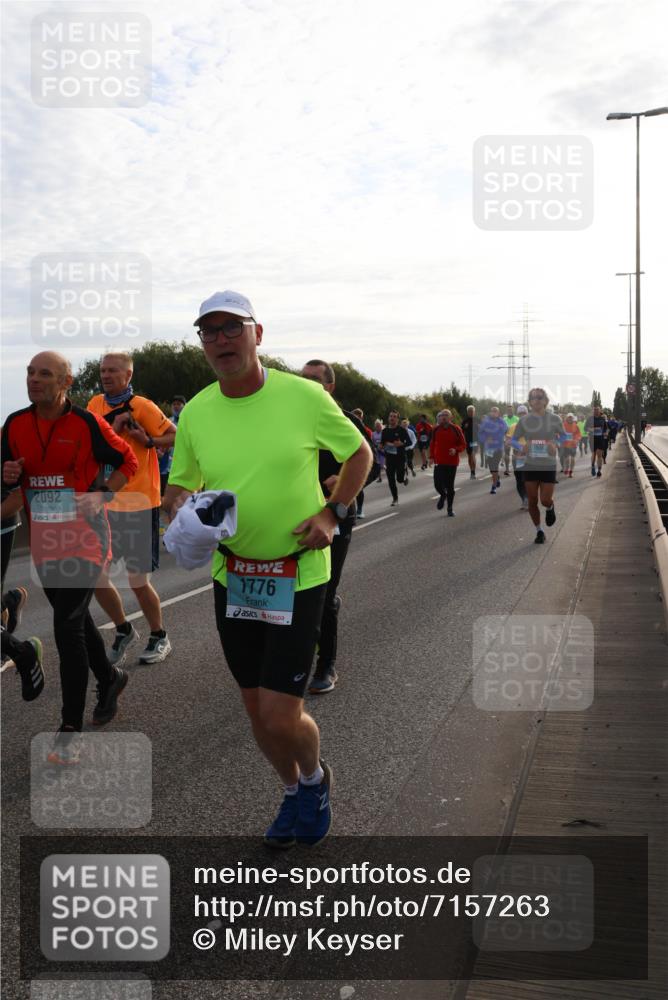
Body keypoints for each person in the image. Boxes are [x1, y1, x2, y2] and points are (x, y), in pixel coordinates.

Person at [163, 291, 371, 848]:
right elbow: (180, 483)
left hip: (298, 573)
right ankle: (292, 789)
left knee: (282, 715)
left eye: (233, 328)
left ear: (259, 333)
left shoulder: (303, 397)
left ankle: (316, 778)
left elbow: (360, 455)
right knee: (256, 710)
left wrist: (333, 511)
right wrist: (181, 511)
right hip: (233, 577)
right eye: (209, 332)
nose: (221, 341)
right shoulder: (198, 411)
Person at [1, 351, 138, 763]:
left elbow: (127, 461)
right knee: (75, 624)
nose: (34, 379)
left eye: (45, 374)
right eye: (30, 373)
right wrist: (8, 475)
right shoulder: (15, 425)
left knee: (65, 629)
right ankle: (111, 677)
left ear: (66, 381)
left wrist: (101, 495)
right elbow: (10, 483)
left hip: (85, 539)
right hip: (46, 542)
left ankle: (68, 729)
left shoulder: (85, 423)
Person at [87, 352, 177, 665]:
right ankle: (124, 630)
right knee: (95, 576)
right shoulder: (95, 404)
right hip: (105, 502)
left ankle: (159, 635)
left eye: (113, 370)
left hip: (139, 502)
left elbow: (174, 436)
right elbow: (90, 439)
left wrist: (148, 440)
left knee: (138, 580)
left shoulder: (144, 406)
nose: (106, 375)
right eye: (103, 370)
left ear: (128, 374)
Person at [301, 361, 367, 694]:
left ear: (330, 386)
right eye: (304, 379)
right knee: (293, 590)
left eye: (315, 379)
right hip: (296, 514)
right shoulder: (291, 417)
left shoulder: (347, 420)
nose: (308, 384)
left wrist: (342, 482)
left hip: (335, 513)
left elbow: (369, 463)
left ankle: (326, 665)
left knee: (324, 592)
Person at [512, 387, 563, 544]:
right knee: (532, 501)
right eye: (534, 398)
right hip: (531, 465)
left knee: (545, 500)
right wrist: (522, 447)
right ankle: (539, 531)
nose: (537, 400)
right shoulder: (524, 420)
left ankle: (550, 507)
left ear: (546, 401)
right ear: (529, 402)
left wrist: (556, 444)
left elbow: (564, 437)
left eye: (540, 397)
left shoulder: (554, 419)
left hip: (548, 464)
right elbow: (513, 440)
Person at [429, 410, 466, 516]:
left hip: (451, 462)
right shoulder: (435, 429)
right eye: (442, 415)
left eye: (446, 415)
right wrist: (431, 457)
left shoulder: (456, 429)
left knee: (450, 486)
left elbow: (463, 444)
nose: (443, 417)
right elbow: (432, 444)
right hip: (439, 462)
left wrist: (455, 449)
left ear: (451, 417)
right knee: (437, 484)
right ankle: (442, 495)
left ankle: (449, 508)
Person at [380, 412, 411, 506]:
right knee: (390, 479)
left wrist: (401, 444)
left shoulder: (402, 430)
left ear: (397, 419)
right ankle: (395, 498)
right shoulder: (385, 431)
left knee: (399, 479)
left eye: (394, 417)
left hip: (400, 458)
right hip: (389, 458)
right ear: (388, 418)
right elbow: (382, 442)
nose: (392, 418)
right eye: (390, 416)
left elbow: (409, 442)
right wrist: (381, 446)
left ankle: (404, 479)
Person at [159, 395, 186, 496]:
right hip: (166, 464)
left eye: (179, 404)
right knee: (164, 495)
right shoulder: (167, 422)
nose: (176, 406)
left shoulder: (187, 421)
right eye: (174, 404)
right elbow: (161, 439)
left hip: (182, 464)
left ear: (185, 406)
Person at [350, 408, 374, 519]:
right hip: (347, 460)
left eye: (357, 418)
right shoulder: (346, 428)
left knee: (358, 487)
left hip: (360, 461)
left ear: (361, 418)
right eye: (353, 417)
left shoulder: (367, 431)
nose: (354, 419)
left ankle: (359, 509)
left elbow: (370, 448)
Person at [478, 407, 507, 494]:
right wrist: (485, 439)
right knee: (491, 468)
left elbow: (504, 430)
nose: (493, 413)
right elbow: (480, 433)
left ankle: (493, 486)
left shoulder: (501, 422)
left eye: (495, 411)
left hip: (498, 448)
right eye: (492, 411)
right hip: (489, 449)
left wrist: (495, 436)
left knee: (495, 466)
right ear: (490, 413)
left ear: (498, 413)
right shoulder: (486, 422)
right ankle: (496, 477)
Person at [511, 404, 529, 508]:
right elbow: (509, 440)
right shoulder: (513, 426)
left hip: (530, 455)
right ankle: (524, 499)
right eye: (520, 414)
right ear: (518, 415)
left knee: (528, 479)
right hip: (517, 456)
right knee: (519, 480)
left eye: (524, 413)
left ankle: (529, 498)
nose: (522, 415)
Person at [585, 406, 608, 478]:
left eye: (597, 410)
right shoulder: (590, 419)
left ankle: (599, 470)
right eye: (595, 410)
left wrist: (605, 433)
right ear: (593, 411)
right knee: (594, 454)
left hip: (600, 439)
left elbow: (606, 429)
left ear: (600, 411)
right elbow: (585, 428)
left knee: (600, 455)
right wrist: (592, 429)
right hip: (592, 439)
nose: (596, 411)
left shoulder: (602, 419)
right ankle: (592, 466)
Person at [460, 405, 479, 479]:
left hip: (475, 440)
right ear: (467, 412)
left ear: (474, 412)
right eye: (469, 411)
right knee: (469, 456)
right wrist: (464, 427)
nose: (471, 413)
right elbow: (461, 431)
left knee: (473, 454)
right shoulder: (465, 421)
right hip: (467, 440)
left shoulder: (478, 420)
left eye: (472, 411)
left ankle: (473, 472)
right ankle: (471, 470)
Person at [561, 413, 582, 477]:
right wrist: (560, 440)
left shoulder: (575, 425)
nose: (570, 419)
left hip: (573, 445)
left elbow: (579, 434)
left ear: (573, 418)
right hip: (565, 445)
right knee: (567, 459)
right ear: (567, 418)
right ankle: (567, 468)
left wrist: (577, 439)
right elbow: (559, 433)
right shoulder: (563, 425)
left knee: (572, 459)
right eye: (569, 417)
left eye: (571, 417)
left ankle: (571, 471)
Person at [502, 406, 518, 476]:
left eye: (511, 410)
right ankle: (507, 469)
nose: (510, 411)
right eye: (508, 410)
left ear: (513, 411)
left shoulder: (517, 419)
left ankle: (516, 468)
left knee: (515, 454)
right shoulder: (504, 419)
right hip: (507, 438)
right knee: (507, 453)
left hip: (516, 439)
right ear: (507, 411)